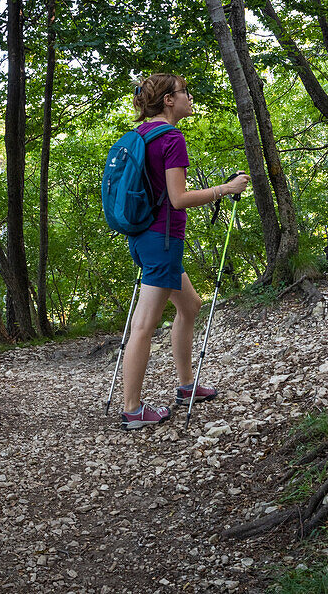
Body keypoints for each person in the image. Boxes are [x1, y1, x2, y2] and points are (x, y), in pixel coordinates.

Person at [120, 73, 250, 431]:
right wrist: (225, 188)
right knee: (145, 324)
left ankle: (186, 385)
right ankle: (132, 408)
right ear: (168, 100)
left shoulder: (141, 135)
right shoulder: (172, 138)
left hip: (145, 235)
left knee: (190, 304)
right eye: (184, 92)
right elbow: (178, 199)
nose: (189, 97)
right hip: (162, 239)